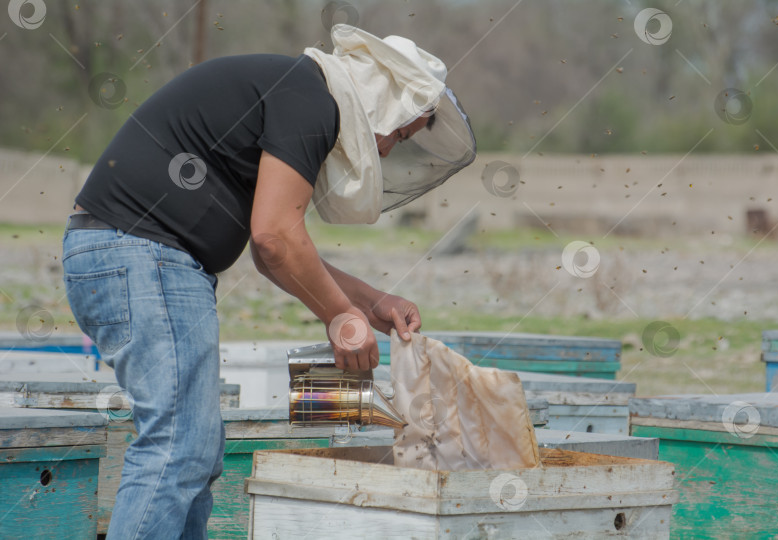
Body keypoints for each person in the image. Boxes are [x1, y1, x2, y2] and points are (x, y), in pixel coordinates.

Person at [62, 25, 475, 539]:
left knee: (194, 452)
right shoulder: (311, 100)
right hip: (144, 256)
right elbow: (274, 240)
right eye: (398, 133)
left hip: (128, 256)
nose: (389, 151)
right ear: (384, 101)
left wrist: (371, 304)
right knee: (177, 448)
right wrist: (340, 317)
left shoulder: (296, 91)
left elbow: (277, 248)